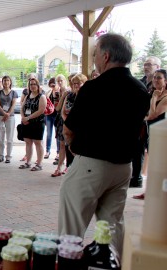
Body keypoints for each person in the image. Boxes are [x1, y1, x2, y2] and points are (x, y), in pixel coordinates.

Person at [59, 33, 150, 256]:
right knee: (112, 224)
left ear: (106, 56)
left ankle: (68, 262)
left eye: (95, 54)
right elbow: (139, 128)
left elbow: (69, 128)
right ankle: (114, 262)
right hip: (122, 167)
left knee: (72, 225)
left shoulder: (93, 88)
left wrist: (72, 145)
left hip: (91, 164)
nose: (94, 59)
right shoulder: (140, 89)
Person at [133, 68, 167, 200]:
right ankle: (148, 191)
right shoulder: (155, 94)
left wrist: (153, 98)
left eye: (159, 78)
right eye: (154, 78)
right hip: (151, 132)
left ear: (165, 81)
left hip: (161, 135)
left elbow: (152, 114)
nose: (156, 80)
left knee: (159, 164)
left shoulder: (164, 97)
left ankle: (155, 193)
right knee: (153, 163)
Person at [130, 56, 162, 189]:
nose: (146, 66)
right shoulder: (139, 82)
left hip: (155, 122)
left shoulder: (160, 87)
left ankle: (154, 185)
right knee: (137, 150)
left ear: (157, 67)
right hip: (139, 121)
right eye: (144, 64)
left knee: (154, 153)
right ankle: (136, 177)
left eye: (149, 64)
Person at [51, 73, 87, 177]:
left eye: (79, 83)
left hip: (78, 127)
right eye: (74, 83)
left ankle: (76, 169)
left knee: (76, 148)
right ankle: (61, 167)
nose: (76, 85)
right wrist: (68, 122)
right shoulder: (69, 95)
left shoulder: (86, 96)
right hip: (66, 124)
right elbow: (61, 111)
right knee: (64, 145)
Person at [19, 77, 46, 171]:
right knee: (28, 142)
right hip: (27, 123)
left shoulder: (41, 96)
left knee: (38, 143)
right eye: (31, 84)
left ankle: (39, 164)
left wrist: (28, 118)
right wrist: (23, 117)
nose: (32, 86)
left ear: (38, 85)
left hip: (37, 123)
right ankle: (28, 162)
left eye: (34, 84)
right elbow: (22, 108)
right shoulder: (27, 96)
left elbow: (41, 110)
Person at [0, 75, 18, 163]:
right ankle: (0, 156)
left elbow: (13, 104)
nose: (6, 82)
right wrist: (4, 113)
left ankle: (8, 156)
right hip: (0, 116)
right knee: (0, 136)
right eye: (4, 80)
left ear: (10, 82)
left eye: (8, 80)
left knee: (9, 138)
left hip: (10, 117)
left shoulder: (14, 93)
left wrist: (8, 114)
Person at [44, 77, 60, 160]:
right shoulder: (49, 92)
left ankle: (58, 152)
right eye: (51, 86)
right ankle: (47, 151)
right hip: (49, 115)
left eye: (54, 85)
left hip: (57, 115)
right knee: (49, 134)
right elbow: (46, 102)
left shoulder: (60, 92)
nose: (52, 87)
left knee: (57, 134)